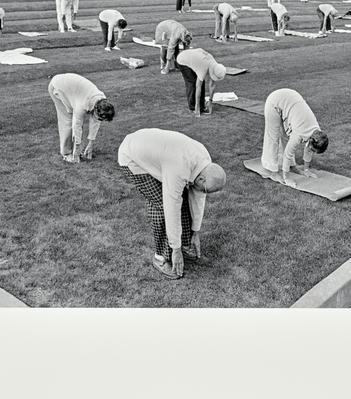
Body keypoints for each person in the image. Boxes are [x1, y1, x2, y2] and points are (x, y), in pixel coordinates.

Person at [117, 128, 228, 279]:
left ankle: (184, 245)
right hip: (132, 156)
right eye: (206, 190)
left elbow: (197, 198)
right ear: (202, 180)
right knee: (161, 205)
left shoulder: (204, 162)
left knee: (183, 197)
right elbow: (171, 206)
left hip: (160, 154)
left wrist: (196, 232)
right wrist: (175, 249)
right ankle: (160, 258)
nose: (205, 194)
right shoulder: (180, 167)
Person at [261, 89, 329, 188]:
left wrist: (306, 170)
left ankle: (292, 166)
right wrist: (286, 178)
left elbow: (309, 149)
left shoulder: (316, 131)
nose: (312, 152)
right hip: (275, 101)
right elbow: (288, 154)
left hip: (290, 101)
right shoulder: (299, 133)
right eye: (313, 150)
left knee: (286, 137)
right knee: (273, 137)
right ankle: (273, 172)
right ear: (310, 141)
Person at [47, 73, 115, 163]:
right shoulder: (82, 105)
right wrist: (76, 151)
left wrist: (90, 144)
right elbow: (77, 126)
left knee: (76, 122)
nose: (100, 120)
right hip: (58, 86)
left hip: (73, 89)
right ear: (95, 109)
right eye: (100, 118)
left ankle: (79, 151)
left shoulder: (101, 100)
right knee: (68, 120)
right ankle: (67, 154)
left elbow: (95, 122)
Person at [176, 47, 228, 117]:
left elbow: (212, 85)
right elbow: (198, 86)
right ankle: (193, 107)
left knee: (201, 80)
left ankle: (202, 106)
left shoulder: (215, 65)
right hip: (182, 60)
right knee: (192, 83)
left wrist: (210, 101)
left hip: (194, 60)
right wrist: (197, 106)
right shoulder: (204, 67)